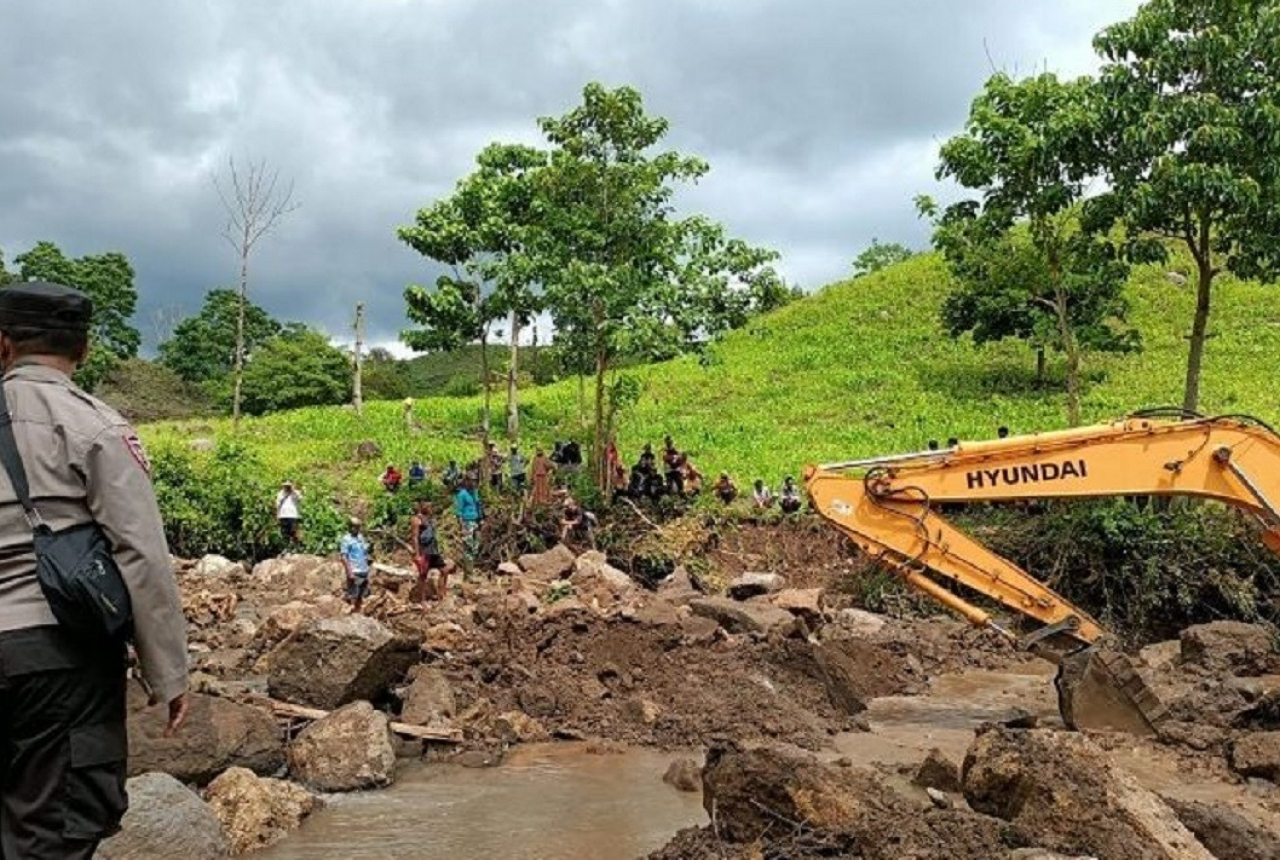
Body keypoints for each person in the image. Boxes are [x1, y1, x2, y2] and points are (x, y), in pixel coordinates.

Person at [0, 282, 188, 858]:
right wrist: (168, 673)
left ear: (2, 344)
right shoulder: (95, 426)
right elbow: (140, 554)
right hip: (59, 658)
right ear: (82, 350)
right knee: (53, 830)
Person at [410, 501, 454, 602]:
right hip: (424, 552)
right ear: (422, 507)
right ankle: (422, 600)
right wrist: (417, 555)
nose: (430, 508)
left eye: (431, 506)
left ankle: (441, 595)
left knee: (445, 570)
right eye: (428, 506)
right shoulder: (416, 520)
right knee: (423, 576)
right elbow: (415, 537)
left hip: (433, 551)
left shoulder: (429, 519)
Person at [340, 517, 372, 613]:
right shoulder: (346, 539)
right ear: (350, 527)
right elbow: (344, 557)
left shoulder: (360, 537)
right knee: (353, 595)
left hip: (363, 570)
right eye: (355, 527)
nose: (357, 529)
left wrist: (370, 548)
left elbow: (365, 550)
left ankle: (358, 613)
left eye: (358, 527)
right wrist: (349, 571)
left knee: (362, 596)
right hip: (355, 571)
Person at [453, 475, 484, 566]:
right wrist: (461, 526)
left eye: (475, 481)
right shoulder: (462, 494)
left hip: (476, 521)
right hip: (467, 522)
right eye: (472, 481)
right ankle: (468, 573)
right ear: (466, 481)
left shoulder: (475, 492)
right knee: (468, 547)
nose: (474, 483)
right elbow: (458, 512)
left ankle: (472, 567)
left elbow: (478, 505)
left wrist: (481, 518)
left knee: (476, 545)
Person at [275, 480, 303, 548]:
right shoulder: (280, 493)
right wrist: (277, 515)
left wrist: (293, 490)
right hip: (283, 515)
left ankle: (295, 547)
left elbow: (300, 499)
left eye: (288, 485)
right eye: (286, 486)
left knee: (293, 531)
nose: (287, 487)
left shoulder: (296, 492)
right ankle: (286, 548)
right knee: (284, 532)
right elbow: (277, 504)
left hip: (292, 515)